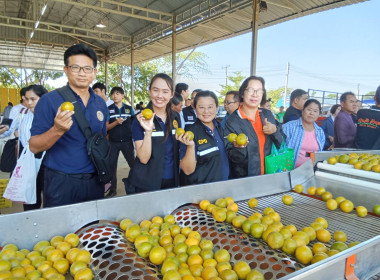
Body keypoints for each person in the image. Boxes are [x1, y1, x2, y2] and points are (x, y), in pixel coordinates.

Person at [29, 43, 109, 207]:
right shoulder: (50, 100)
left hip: (94, 180)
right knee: (59, 230)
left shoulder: (101, 104)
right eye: (75, 67)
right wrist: (57, 130)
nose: (82, 73)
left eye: (87, 68)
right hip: (61, 181)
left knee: (90, 228)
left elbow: (101, 139)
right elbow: (34, 146)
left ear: (94, 72)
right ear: (66, 70)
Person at [125, 73, 188, 193]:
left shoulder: (175, 117)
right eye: (155, 90)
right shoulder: (139, 119)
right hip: (146, 183)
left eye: (165, 91)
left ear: (171, 94)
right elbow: (143, 158)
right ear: (149, 91)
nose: (160, 96)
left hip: (173, 181)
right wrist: (148, 131)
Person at [225, 76, 284, 178]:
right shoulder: (232, 121)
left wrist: (274, 131)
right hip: (245, 180)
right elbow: (232, 157)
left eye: (259, 91)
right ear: (242, 93)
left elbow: (282, 143)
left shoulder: (268, 115)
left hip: (270, 175)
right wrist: (239, 148)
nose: (255, 94)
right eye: (251, 90)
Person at [179, 91, 229, 184]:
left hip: (223, 187)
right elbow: (187, 170)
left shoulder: (220, 128)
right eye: (201, 107)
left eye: (210, 107)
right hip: (202, 192)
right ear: (195, 108)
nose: (206, 111)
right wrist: (190, 146)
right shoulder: (190, 133)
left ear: (217, 108)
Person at [18, 85, 48, 210]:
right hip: (29, 160)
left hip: (46, 160)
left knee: (48, 194)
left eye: (33, 99)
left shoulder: (51, 116)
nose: (29, 103)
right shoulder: (25, 115)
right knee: (30, 195)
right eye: (27, 99)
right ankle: (30, 219)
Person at [106, 87, 135, 197]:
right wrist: (116, 123)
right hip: (113, 142)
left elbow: (134, 123)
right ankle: (113, 189)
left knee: (133, 165)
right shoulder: (108, 109)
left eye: (118, 93)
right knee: (112, 167)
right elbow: (106, 127)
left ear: (123, 95)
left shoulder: (129, 109)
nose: (115, 96)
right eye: (113, 94)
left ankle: (134, 185)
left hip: (127, 142)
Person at [282, 99, 325, 168]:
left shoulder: (320, 132)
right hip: (290, 172)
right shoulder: (289, 127)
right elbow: (279, 148)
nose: (312, 113)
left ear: (318, 114)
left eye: (315, 111)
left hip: (311, 172)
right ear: (303, 110)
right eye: (309, 109)